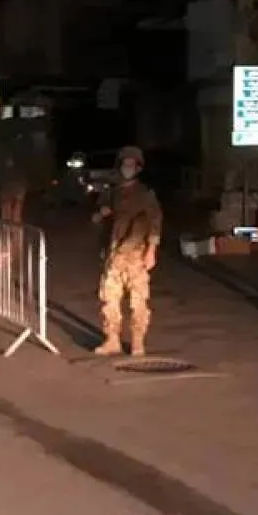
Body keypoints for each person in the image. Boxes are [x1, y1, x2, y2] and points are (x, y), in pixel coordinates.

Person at [90, 145, 162, 356]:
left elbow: (155, 222)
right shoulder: (112, 192)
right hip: (114, 251)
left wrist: (151, 251)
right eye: (125, 164)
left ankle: (138, 342)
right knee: (109, 297)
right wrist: (101, 214)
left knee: (138, 299)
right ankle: (112, 339)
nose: (127, 168)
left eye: (132, 164)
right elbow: (96, 217)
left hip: (136, 252)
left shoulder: (145, 194)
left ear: (138, 168)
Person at [0, 150, 28, 224]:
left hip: (11, 189)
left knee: (8, 208)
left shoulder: (6, 171)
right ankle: (14, 225)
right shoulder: (20, 170)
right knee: (16, 209)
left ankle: (8, 224)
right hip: (18, 188)